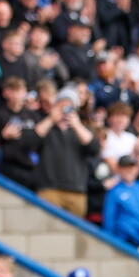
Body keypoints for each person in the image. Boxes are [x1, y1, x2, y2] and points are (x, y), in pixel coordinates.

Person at [29, 88, 100, 218]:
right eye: (61, 106)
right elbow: (30, 140)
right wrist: (51, 118)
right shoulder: (47, 128)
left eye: (69, 107)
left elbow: (94, 147)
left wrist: (77, 125)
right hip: (49, 189)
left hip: (77, 191)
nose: (65, 110)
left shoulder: (81, 130)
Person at [103, 156, 139, 252]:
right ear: (119, 169)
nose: (129, 170)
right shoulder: (114, 191)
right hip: (124, 243)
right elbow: (109, 220)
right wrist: (112, 244)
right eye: (125, 167)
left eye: (132, 167)